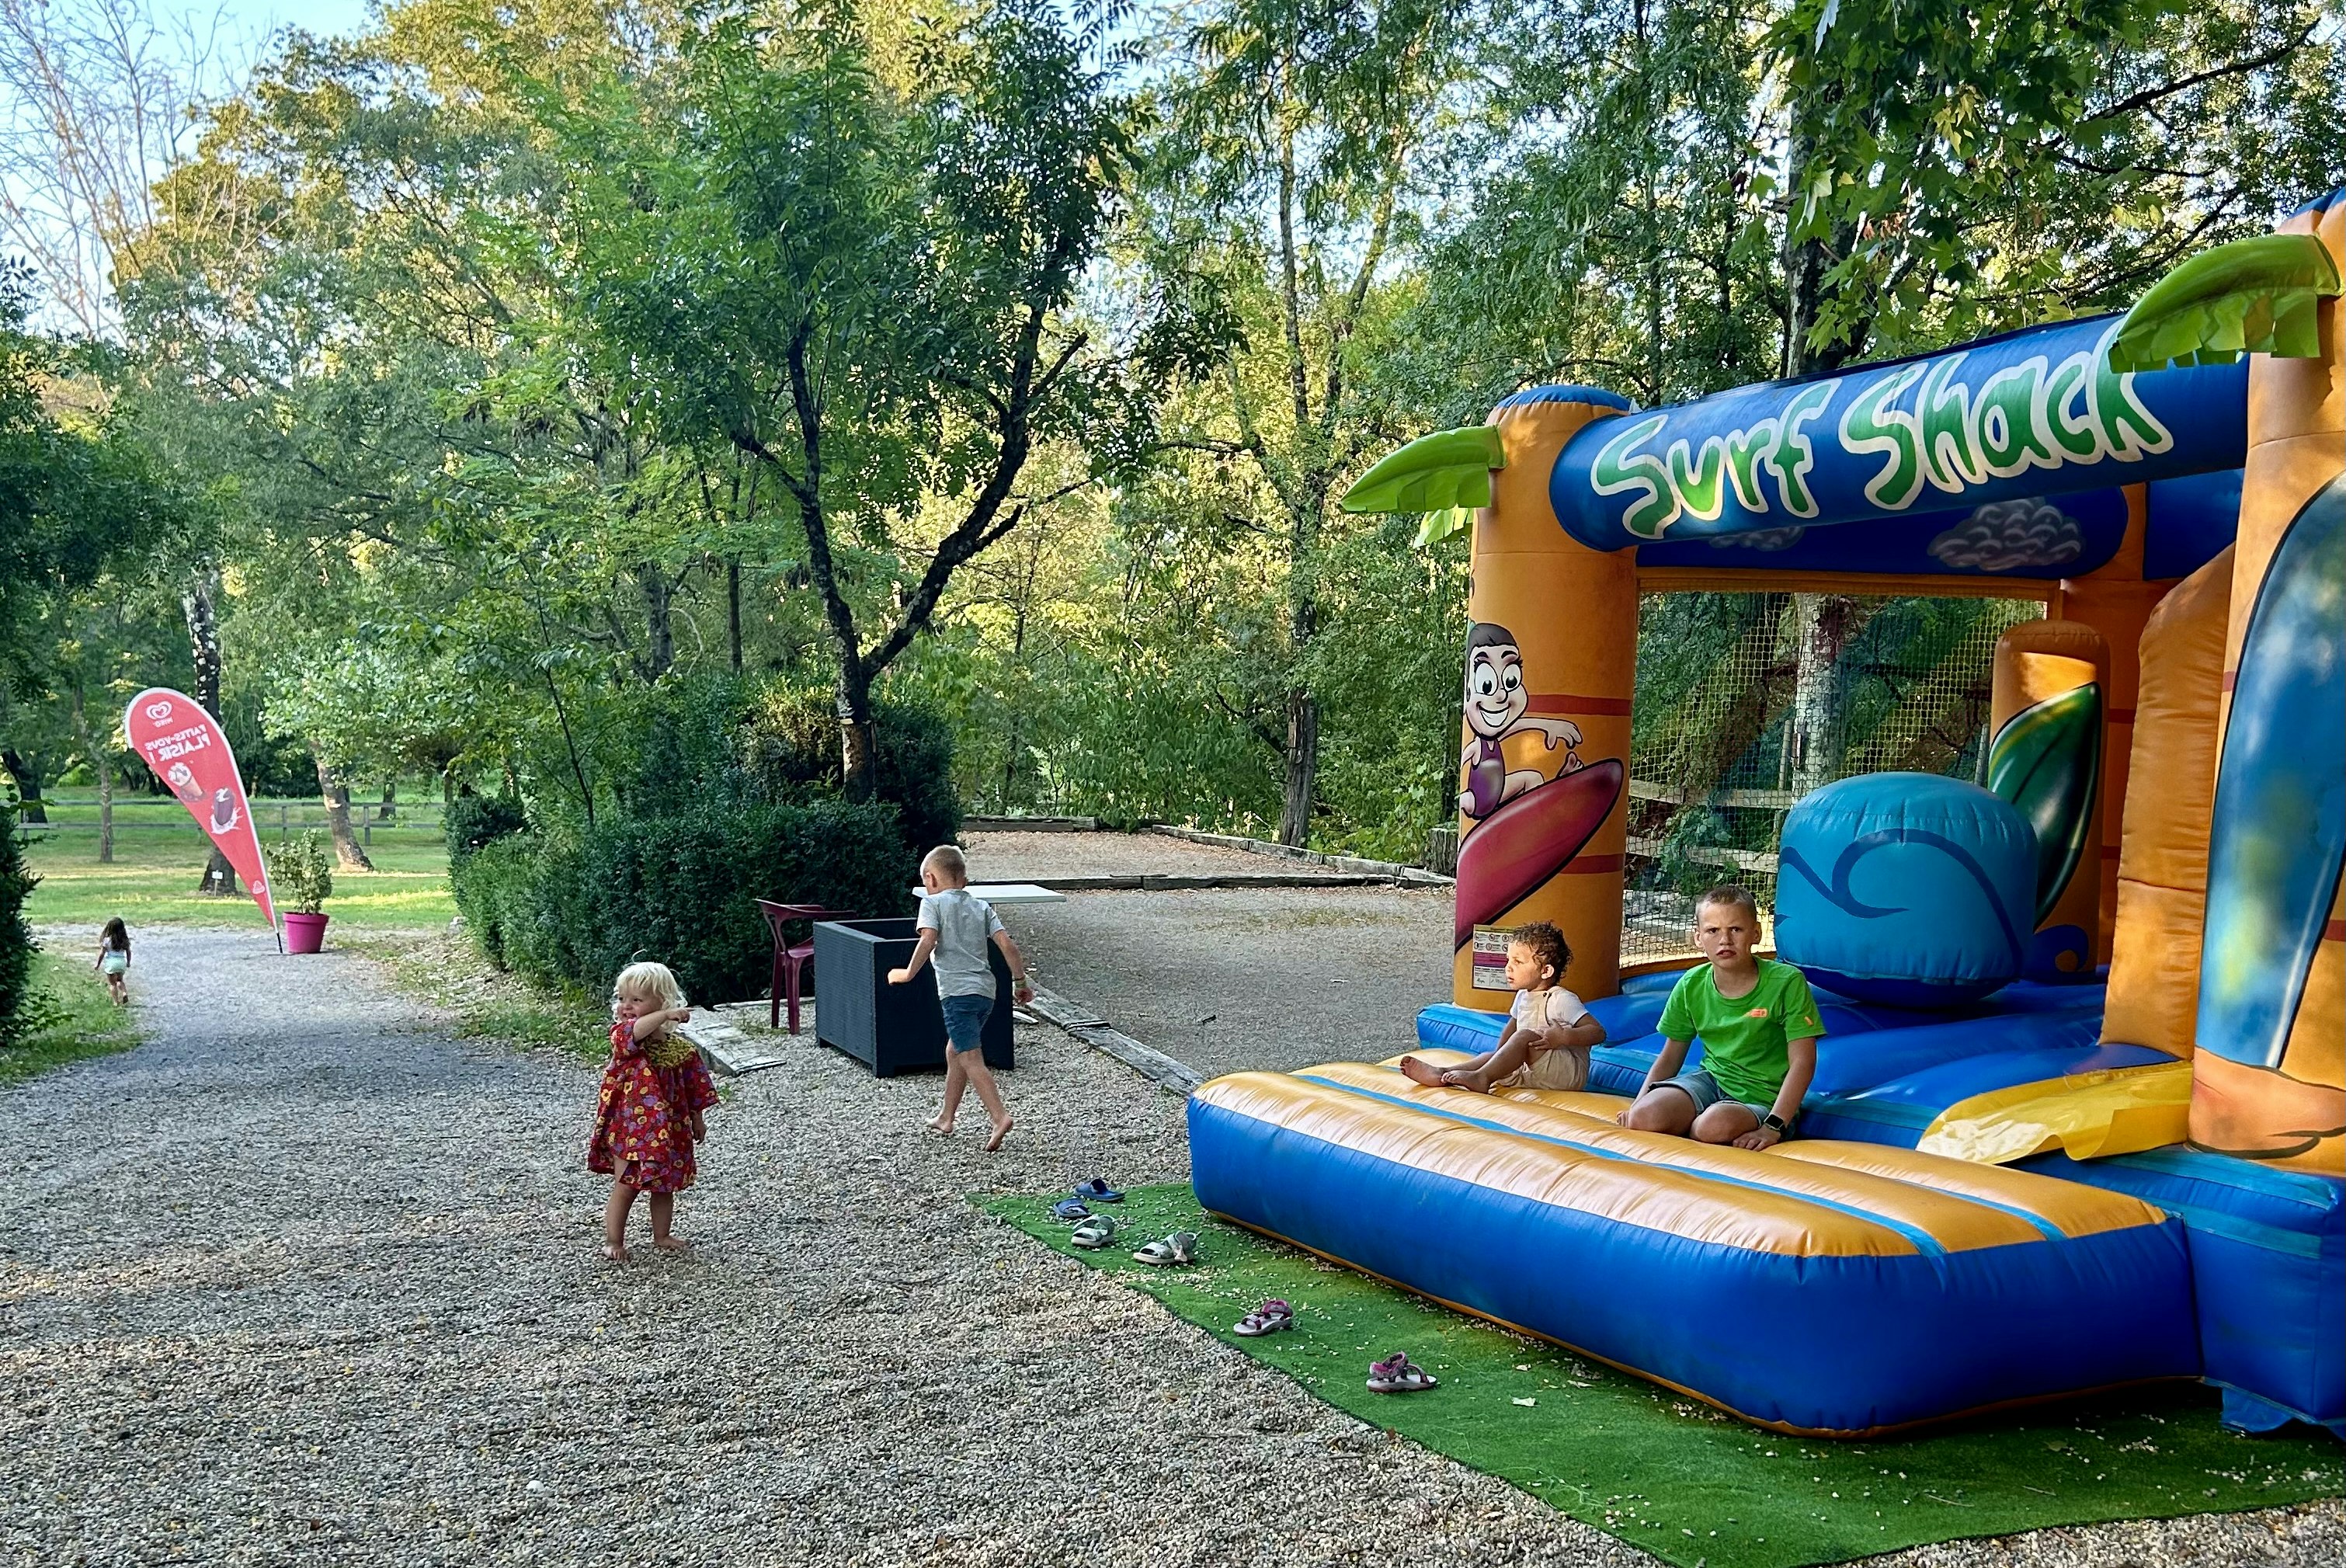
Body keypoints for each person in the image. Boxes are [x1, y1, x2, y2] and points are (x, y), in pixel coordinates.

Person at [1616, 884, 1823, 1150]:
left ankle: (1701, 1123)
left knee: (1712, 1126)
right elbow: (1669, 1057)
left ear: (1756, 934)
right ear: (1698, 938)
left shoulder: (1786, 982)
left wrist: (1773, 1126)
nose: (1725, 940)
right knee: (1645, 1117)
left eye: (1735, 929)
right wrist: (1637, 1106)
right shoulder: (1691, 983)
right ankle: (1690, 1119)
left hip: (1763, 1096)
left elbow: (1803, 1062)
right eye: (1713, 931)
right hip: (1711, 1082)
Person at [889, 844, 1032, 1152]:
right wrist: (1020, 982)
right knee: (955, 1050)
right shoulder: (981, 907)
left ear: (930, 879)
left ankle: (999, 1116)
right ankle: (946, 1116)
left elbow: (928, 940)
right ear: (964, 881)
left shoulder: (932, 903)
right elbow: (1008, 946)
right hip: (986, 994)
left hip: (957, 995)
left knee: (970, 1057)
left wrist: (907, 973)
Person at [588, 961, 721, 1260]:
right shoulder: (624, 1038)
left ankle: (661, 1234)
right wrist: (661, 1015)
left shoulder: (680, 1050)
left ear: (662, 1001)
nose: (626, 1006)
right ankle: (613, 1240)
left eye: (637, 999)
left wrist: (697, 1119)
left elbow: (693, 1088)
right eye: (622, 999)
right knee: (626, 1185)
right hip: (630, 1129)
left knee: (665, 1185)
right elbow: (635, 1030)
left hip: (669, 1129)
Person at [1396, 921, 1605, 1092]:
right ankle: (1442, 1073)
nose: (1508, 968)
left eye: (1518, 962)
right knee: (1490, 1056)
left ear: (1546, 971)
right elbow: (1512, 1028)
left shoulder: (1561, 999)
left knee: (1525, 1037)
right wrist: (1500, 1058)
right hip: (1535, 1069)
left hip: (1566, 1073)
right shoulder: (1523, 996)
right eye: (1508, 960)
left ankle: (1482, 1078)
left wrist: (1564, 1037)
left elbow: (1597, 1032)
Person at [93, 917, 131, 1007]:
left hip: (111, 963)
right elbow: (129, 952)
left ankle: (115, 1002)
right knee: (120, 981)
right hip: (121, 962)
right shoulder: (124, 940)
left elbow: (102, 954)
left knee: (113, 984)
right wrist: (128, 962)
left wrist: (98, 965)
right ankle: (124, 993)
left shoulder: (107, 940)